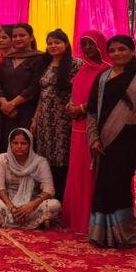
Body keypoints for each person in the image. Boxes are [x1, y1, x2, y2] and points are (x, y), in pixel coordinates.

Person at [86, 35, 136, 248]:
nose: (117, 54)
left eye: (122, 49)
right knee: (103, 184)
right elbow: (92, 110)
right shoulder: (103, 76)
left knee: (119, 184)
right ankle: (102, 234)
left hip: (129, 138)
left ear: (132, 50)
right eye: (112, 50)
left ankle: (126, 234)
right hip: (103, 140)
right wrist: (93, 138)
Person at [61, 30, 110, 235]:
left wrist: (81, 108)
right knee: (78, 171)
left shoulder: (108, 70)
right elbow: (76, 93)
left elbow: (106, 100)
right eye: (84, 44)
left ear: (101, 45)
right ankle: (77, 217)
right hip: (77, 128)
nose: (88, 48)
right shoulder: (83, 68)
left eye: (92, 43)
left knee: (92, 173)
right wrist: (70, 106)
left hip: (95, 128)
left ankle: (93, 221)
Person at [32, 29, 81, 201]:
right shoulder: (45, 64)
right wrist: (35, 118)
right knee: (45, 157)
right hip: (45, 118)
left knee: (62, 158)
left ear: (66, 44)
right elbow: (41, 94)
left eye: (57, 42)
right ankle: (47, 194)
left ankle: (62, 197)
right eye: (50, 43)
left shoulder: (76, 64)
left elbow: (80, 90)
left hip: (63, 119)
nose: (53, 46)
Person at [0, 128, 61, 229]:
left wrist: (31, 206)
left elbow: (49, 190)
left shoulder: (40, 162)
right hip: (9, 201)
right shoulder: (1, 159)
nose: (19, 147)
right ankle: (38, 220)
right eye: (15, 143)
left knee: (55, 205)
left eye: (23, 143)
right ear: (10, 144)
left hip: (33, 201)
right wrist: (12, 208)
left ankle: (14, 219)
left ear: (30, 144)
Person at [0, 24, 45, 149]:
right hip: (6, 111)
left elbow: (35, 87)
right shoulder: (7, 59)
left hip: (27, 110)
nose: (18, 39)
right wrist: (4, 103)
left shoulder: (39, 58)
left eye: (22, 35)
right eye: (15, 36)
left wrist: (12, 104)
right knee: (7, 144)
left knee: (25, 145)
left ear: (31, 37)